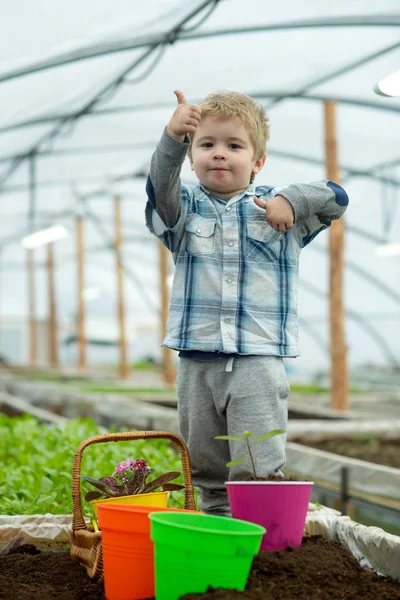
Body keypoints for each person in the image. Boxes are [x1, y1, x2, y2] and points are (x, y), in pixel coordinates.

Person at [145, 90, 348, 516]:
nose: (219, 154)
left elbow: (336, 198)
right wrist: (171, 138)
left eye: (234, 146)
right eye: (206, 144)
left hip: (258, 360)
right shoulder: (183, 212)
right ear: (191, 156)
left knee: (257, 462)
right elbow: (158, 187)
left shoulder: (277, 211)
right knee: (207, 463)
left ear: (258, 161)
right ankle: (220, 532)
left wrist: (290, 199)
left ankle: (264, 549)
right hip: (197, 361)